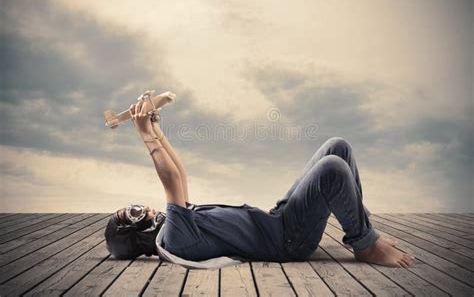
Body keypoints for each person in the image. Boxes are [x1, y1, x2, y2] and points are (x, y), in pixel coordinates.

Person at [104, 98, 415, 269]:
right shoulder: (173, 240)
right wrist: (144, 134)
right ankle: (365, 245)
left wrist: (155, 129)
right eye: (132, 214)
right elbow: (171, 180)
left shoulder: (174, 230)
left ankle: (363, 228)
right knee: (333, 168)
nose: (141, 209)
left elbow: (181, 175)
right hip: (289, 241)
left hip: (277, 219)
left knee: (338, 146)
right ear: (135, 232)